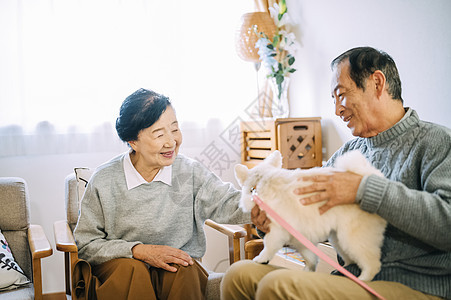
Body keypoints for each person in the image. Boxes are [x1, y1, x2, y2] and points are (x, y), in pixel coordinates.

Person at [221, 47, 451, 300]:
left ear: (377, 83)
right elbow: (307, 212)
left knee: (278, 285)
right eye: (333, 99)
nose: (337, 110)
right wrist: (273, 222)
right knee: (239, 275)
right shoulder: (349, 151)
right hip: (353, 278)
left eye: (341, 95)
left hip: (418, 285)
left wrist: (363, 189)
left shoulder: (435, 141)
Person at [74, 88, 250, 300]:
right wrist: (138, 250)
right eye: (159, 134)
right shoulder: (104, 179)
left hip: (176, 270)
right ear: (133, 141)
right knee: (131, 270)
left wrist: (268, 205)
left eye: (175, 129)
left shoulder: (190, 172)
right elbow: (86, 244)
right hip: (119, 270)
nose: (171, 142)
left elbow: (229, 203)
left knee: (181, 267)